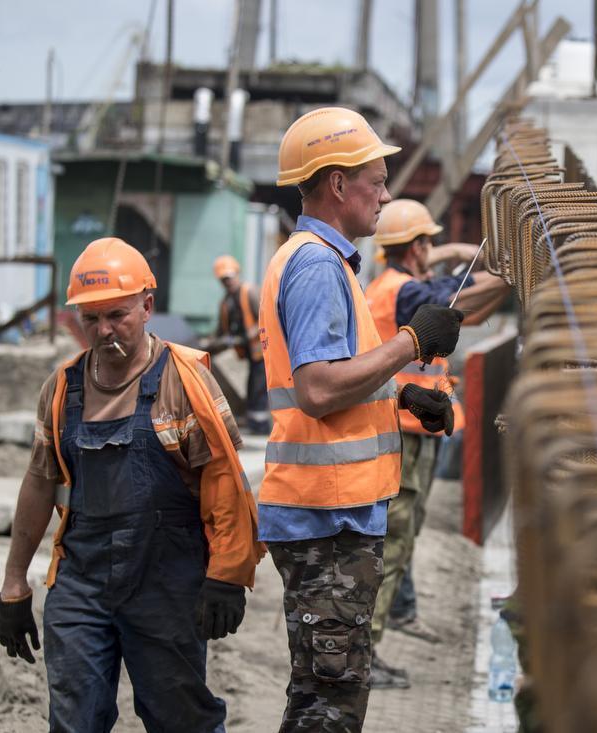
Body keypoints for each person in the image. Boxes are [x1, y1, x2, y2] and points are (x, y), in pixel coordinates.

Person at [0, 237, 263, 732]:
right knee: (75, 718)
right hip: (82, 580)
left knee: (180, 718)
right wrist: (14, 583)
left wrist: (227, 573)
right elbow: (39, 482)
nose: (103, 330)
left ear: (147, 306)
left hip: (166, 582)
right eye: (89, 319)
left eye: (116, 315)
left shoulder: (183, 382)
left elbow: (224, 480)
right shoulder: (62, 388)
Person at [260, 107, 464, 731]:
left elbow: (331, 379)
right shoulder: (320, 266)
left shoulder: (320, 261)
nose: (385, 193)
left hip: (330, 515)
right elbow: (318, 388)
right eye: (377, 179)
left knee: (325, 691)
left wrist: (398, 400)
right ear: (338, 184)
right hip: (328, 517)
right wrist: (412, 342)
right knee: (328, 704)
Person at [363, 199, 510, 689]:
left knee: (401, 543)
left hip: (412, 427)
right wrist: (513, 272)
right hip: (402, 429)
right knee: (395, 542)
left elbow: (463, 300)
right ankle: (365, 656)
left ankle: (371, 646)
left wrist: (451, 249)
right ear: (418, 246)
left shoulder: (398, 285)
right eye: (428, 242)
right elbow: (464, 296)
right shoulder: (406, 293)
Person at [211, 254, 270, 433]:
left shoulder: (249, 292)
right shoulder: (226, 302)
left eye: (229, 278)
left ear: (236, 274)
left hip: (262, 350)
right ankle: (254, 423)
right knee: (252, 386)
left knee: (259, 388)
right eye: (223, 280)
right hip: (248, 353)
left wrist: (247, 336)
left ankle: (260, 426)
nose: (227, 282)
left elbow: (265, 318)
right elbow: (221, 330)